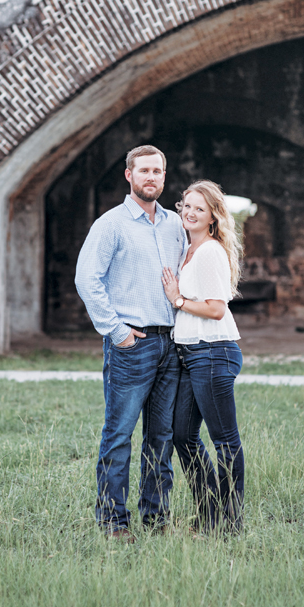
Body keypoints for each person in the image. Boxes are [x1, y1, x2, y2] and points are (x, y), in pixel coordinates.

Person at [75, 145, 187, 539]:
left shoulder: (175, 226)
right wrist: (116, 331)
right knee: (119, 435)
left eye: (157, 171)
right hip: (132, 346)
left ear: (164, 176)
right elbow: (87, 279)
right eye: (144, 171)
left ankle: (156, 520)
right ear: (129, 175)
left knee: (161, 438)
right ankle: (113, 522)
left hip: (170, 345)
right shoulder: (111, 224)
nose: (151, 177)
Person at [161, 179, 244, 534]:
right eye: (187, 205)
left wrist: (177, 300)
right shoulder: (187, 250)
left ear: (213, 217)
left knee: (225, 442)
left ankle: (230, 523)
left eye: (200, 208)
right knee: (182, 435)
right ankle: (209, 513)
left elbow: (215, 308)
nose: (191, 213)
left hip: (213, 351)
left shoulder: (210, 251)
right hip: (190, 354)